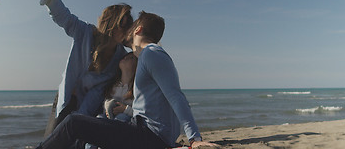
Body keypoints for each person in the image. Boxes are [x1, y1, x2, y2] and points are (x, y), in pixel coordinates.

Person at [36, 11, 218, 149]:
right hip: (142, 131)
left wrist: (194, 139)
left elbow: (176, 97)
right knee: (88, 127)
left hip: (150, 136)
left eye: (131, 27)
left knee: (73, 123)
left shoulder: (152, 54)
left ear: (138, 29)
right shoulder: (145, 57)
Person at [32, 0, 134, 137]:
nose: (127, 30)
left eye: (129, 26)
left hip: (88, 108)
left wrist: (80, 117)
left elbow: (99, 92)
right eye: (124, 25)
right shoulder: (84, 32)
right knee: (51, 141)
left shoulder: (120, 57)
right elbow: (61, 14)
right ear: (111, 25)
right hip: (65, 101)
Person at [85, 52, 137, 149]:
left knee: (122, 117)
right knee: (98, 118)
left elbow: (140, 113)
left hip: (125, 124)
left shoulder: (136, 89)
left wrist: (125, 109)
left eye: (131, 58)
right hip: (109, 118)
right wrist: (107, 105)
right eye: (125, 56)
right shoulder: (113, 85)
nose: (126, 57)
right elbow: (106, 102)